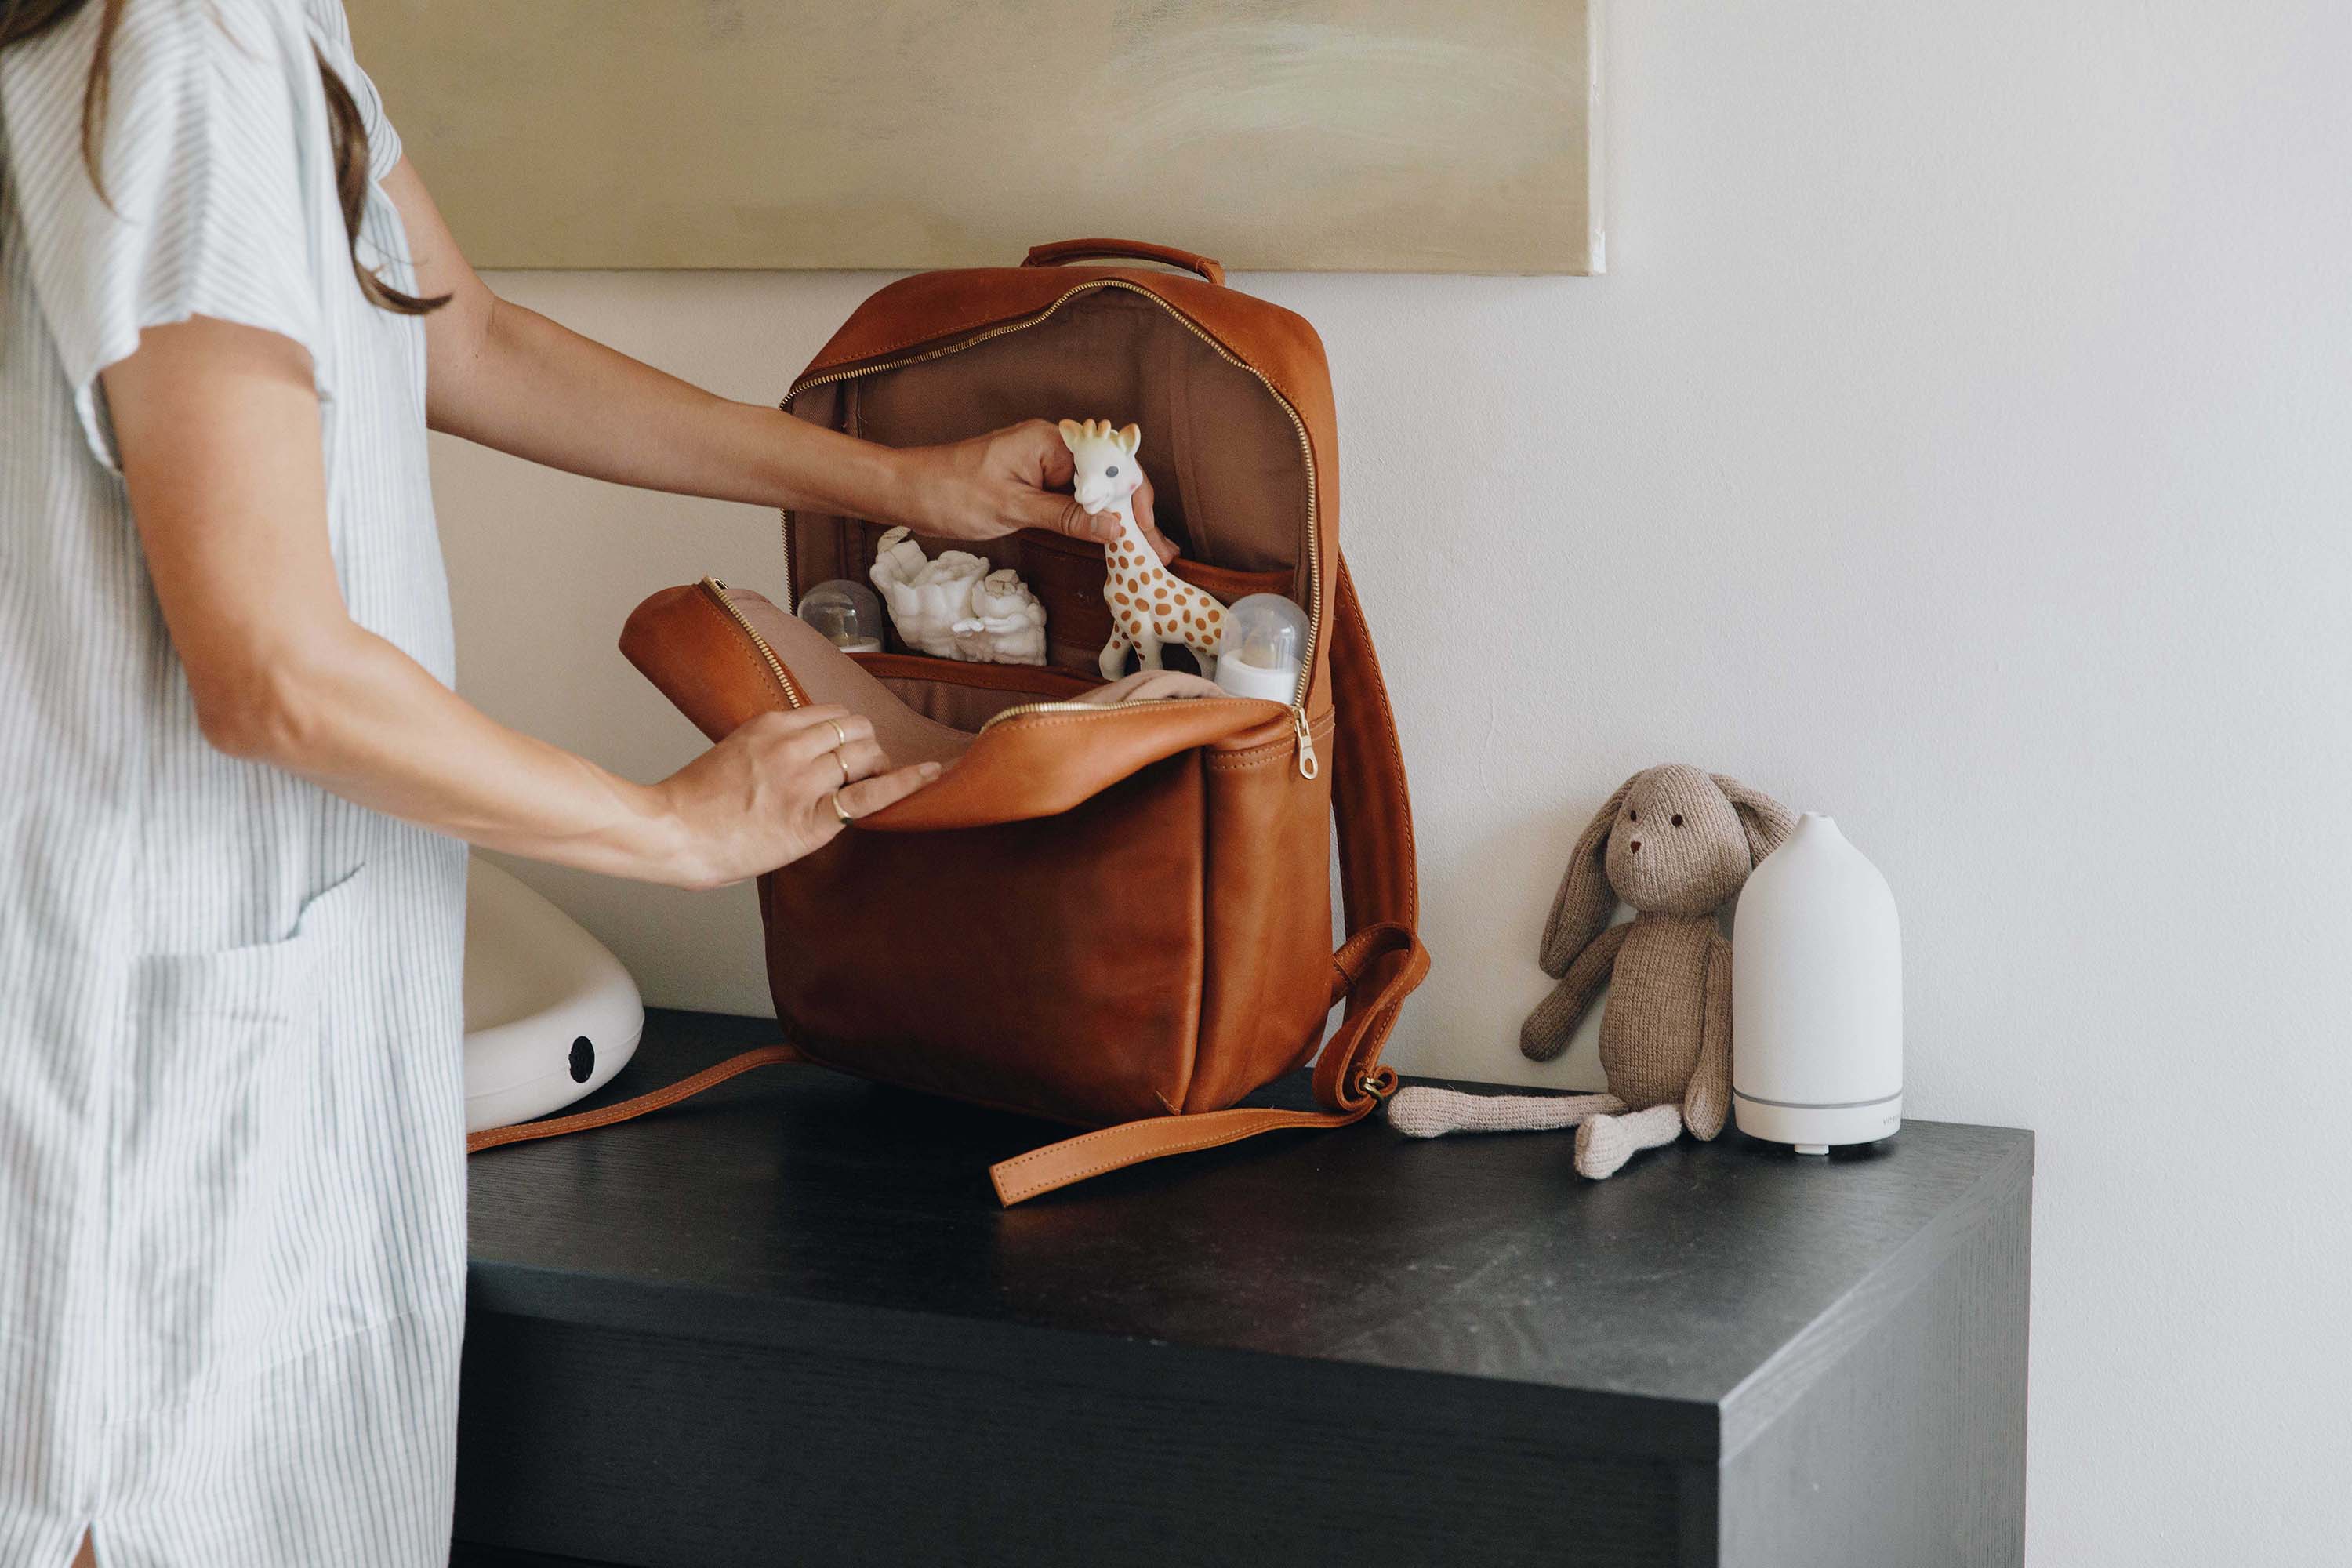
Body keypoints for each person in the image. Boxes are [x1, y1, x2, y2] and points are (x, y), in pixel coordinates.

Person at [0, 1, 1181, 1561]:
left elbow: (467, 336)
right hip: (162, 1066)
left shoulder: (262, 36)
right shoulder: (183, 46)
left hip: (245, 1014)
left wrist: (903, 482)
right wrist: (668, 828)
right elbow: (273, 671)